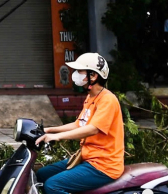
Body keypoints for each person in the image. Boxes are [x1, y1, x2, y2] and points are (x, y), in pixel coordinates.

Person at [35, 53, 124, 194]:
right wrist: (50, 130)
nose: (75, 75)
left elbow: (93, 129)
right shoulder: (91, 97)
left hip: (103, 165)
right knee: (42, 174)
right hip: (87, 158)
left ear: (93, 76)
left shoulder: (108, 100)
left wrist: (58, 137)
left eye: (79, 71)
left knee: (53, 186)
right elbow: (79, 124)